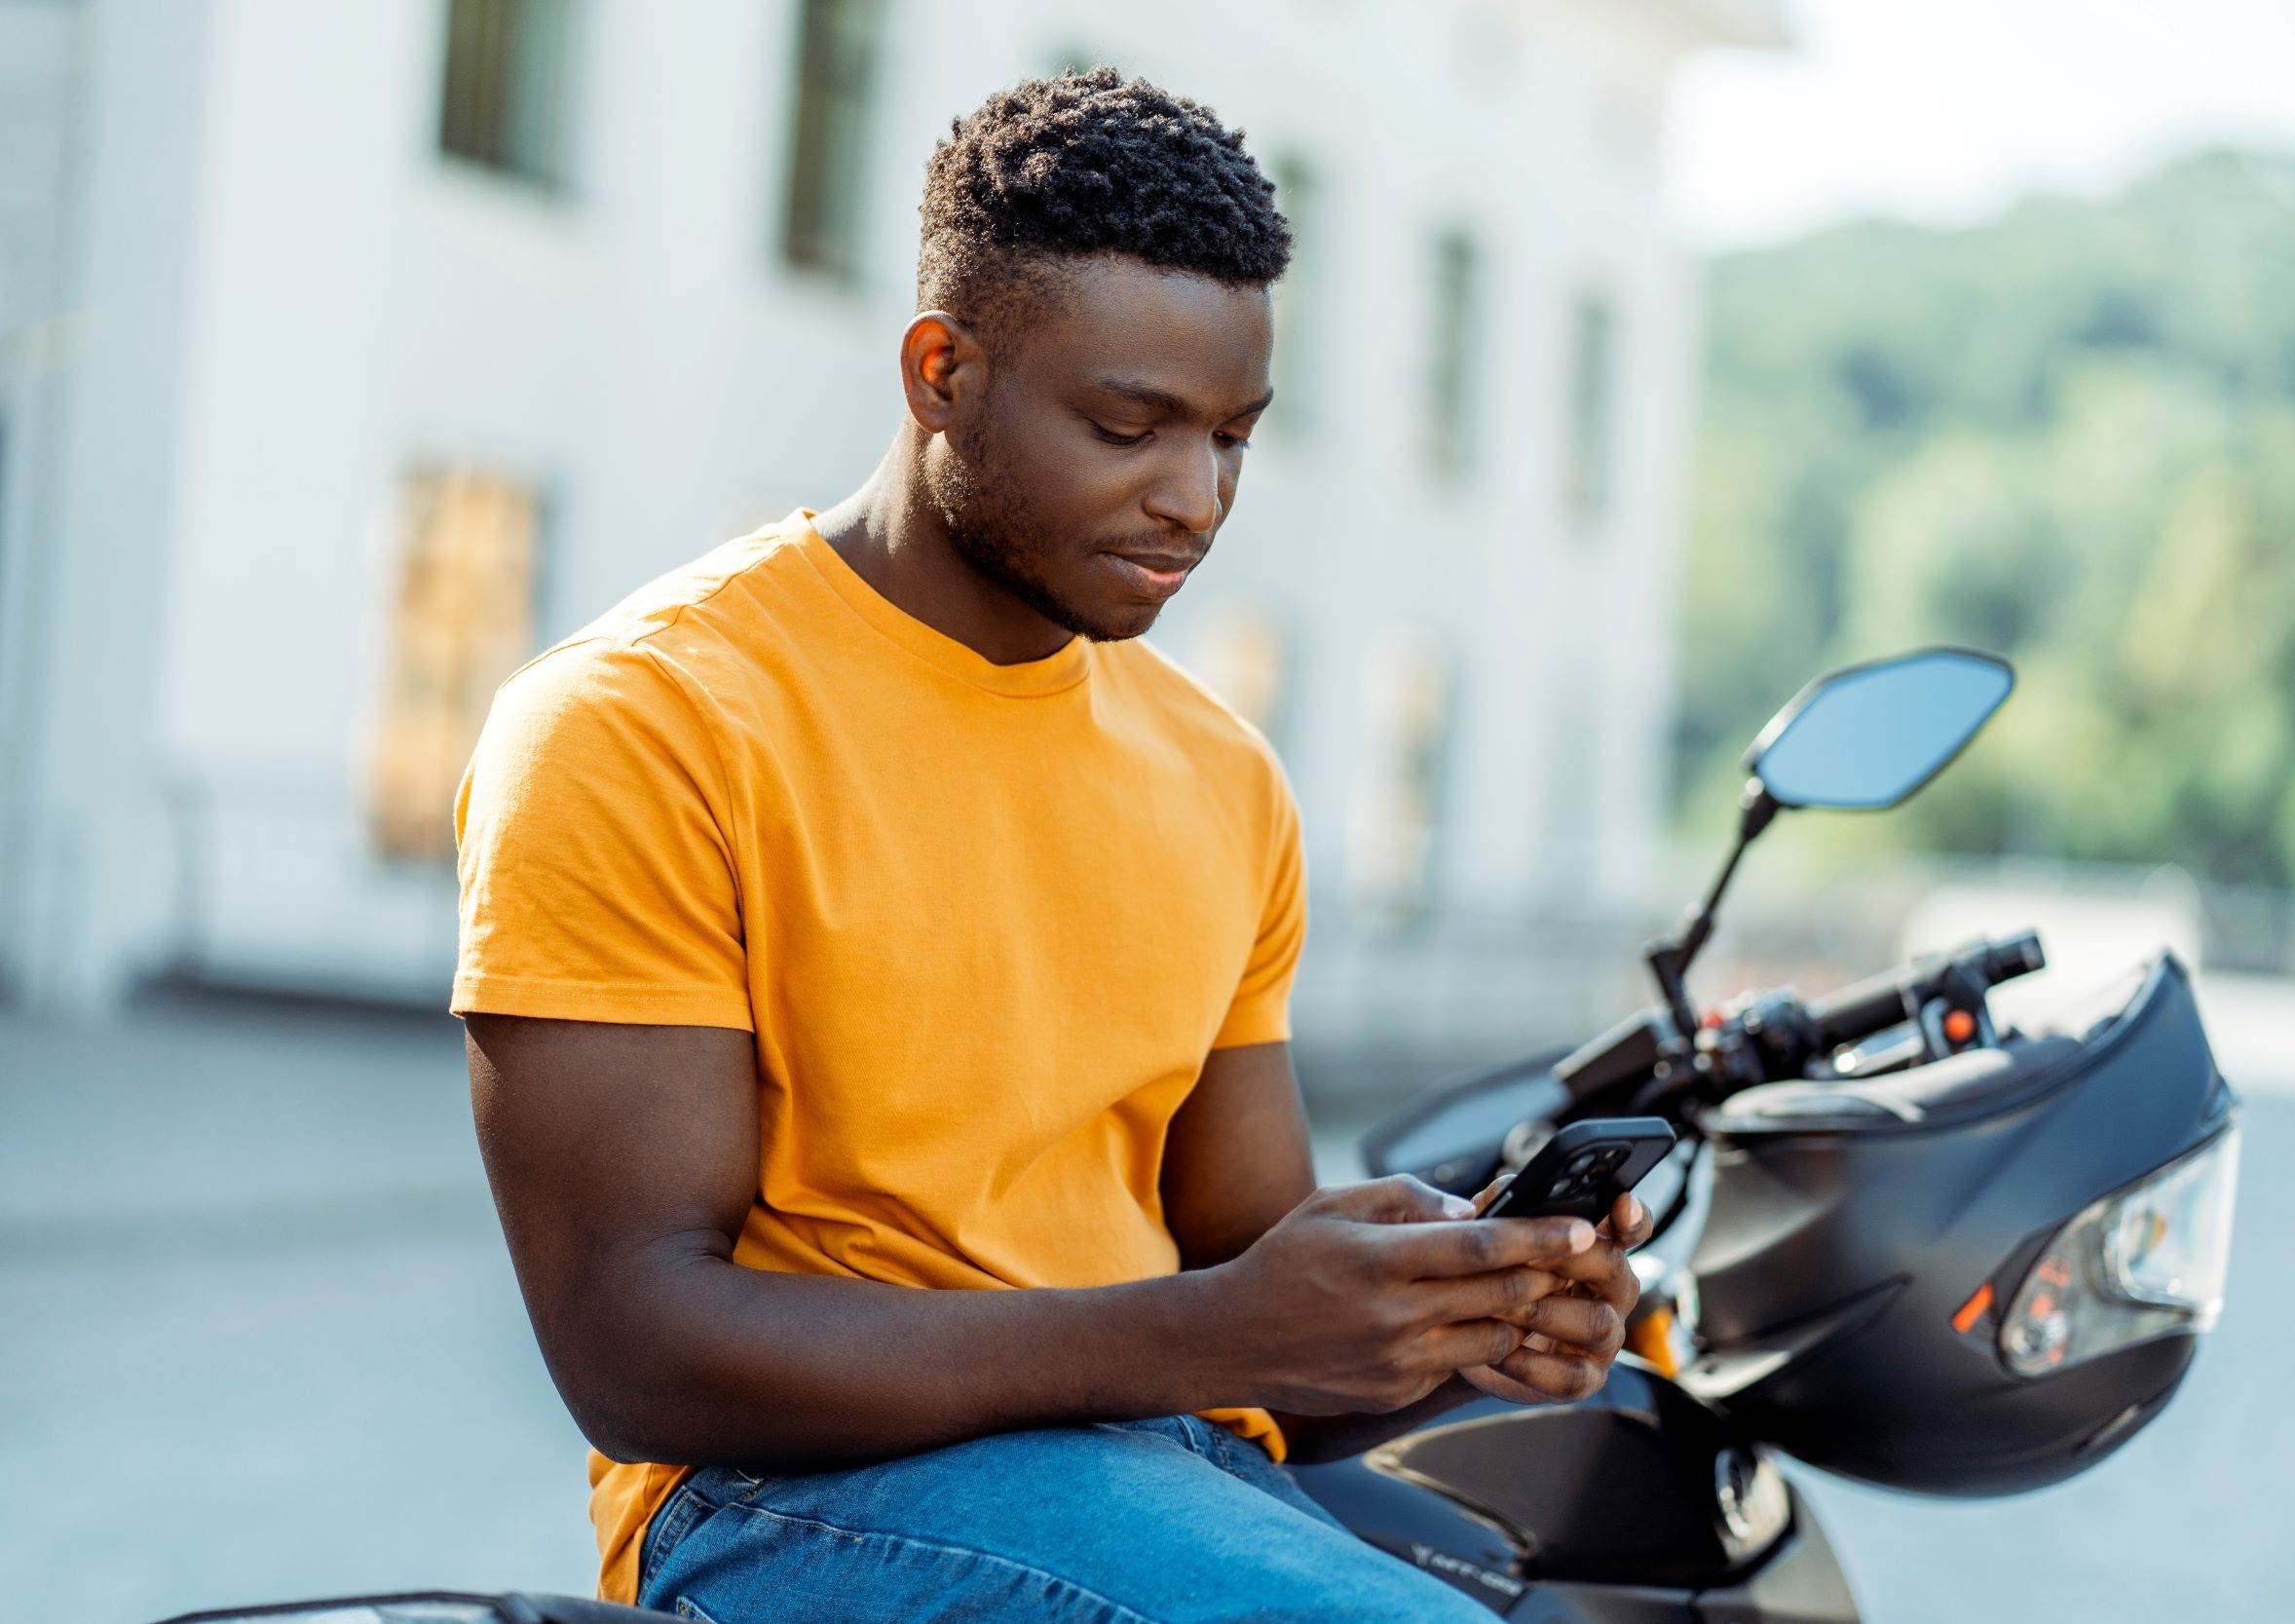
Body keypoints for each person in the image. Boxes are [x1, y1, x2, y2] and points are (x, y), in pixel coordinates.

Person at [452, 68, 1652, 1624]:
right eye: (1128, 427)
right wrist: (1219, 1335)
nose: (1194, 499)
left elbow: (1247, 1278)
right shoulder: (646, 722)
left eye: (1234, 435)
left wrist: (1451, 1322)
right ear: (943, 371)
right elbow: (635, 1348)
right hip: (786, 1502)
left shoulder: (1220, 773)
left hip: (1166, 1459)